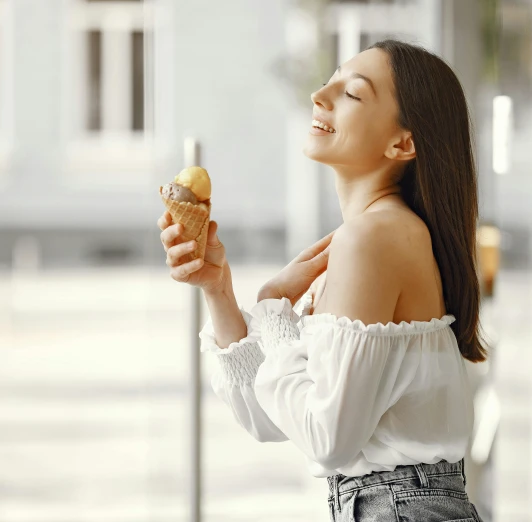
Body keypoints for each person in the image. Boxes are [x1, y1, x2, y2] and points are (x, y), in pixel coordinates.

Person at [157, 39, 488, 522]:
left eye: (351, 93)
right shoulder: (374, 235)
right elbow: (273, 417)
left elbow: (327, 438)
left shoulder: (374, 238)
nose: (319, 95)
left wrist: (273, 307)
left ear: (403, 143)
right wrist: (219, 289)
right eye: (329, 79)